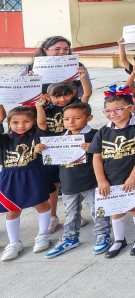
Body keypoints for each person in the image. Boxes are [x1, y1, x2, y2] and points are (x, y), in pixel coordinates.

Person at [42, 102, 111, 257]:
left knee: (98, 210)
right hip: (68, 182)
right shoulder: (60, 139)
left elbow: (109, 155)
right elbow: (52, 159)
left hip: (92, 181)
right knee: (71, 213)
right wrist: (43, 150)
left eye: (76, 118)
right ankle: (70, 238)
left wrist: (94, 148)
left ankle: (103, 235)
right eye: (66, 119)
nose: (71, 122)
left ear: (89, 118)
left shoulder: (96, 135)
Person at [89, 93, 135, 259]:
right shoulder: (103, 132)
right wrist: (101, 180)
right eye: (108, 111)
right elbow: (96, 157)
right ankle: (119, 240)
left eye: (118, 109)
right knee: (115, 209)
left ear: (130, 108)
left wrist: (133, 177)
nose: (113, 114)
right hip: (110, 179)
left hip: (133, 178)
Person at [0, 106, 53, 261]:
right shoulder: (3, 139)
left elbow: (42, 124)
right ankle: (14, 242)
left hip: (33, 174)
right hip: (10, 177)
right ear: (8, 123)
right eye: (15, 122)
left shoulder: (36, 135)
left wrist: (38, 106)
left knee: (42, 204)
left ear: (33, 122)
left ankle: (43, 235)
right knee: (13, 210)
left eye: (26, 121)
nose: (21, 125)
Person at [36, 82, 81, 233]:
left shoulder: (75, 107)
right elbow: (42, 126)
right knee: (53, 185)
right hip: (51, 151)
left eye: (66, 94)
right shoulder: (45, 109)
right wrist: (39, 107)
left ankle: (75, 215)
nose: (62, 99)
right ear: (48, 97)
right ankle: (53, 216)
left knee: (72, 184)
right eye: (57, 96)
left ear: (73, 94)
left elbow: (86, 94)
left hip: (71, 149)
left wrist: (82, 78)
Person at [19, 35, 93, 101]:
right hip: (41, 105)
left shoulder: (78, 67)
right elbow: (18, 92)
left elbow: (84, 92)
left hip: (69, 104)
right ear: (45, 50)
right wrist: (26, 82)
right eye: (57, 49)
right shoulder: (31, 68)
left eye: (66, 49)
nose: (62, 52)